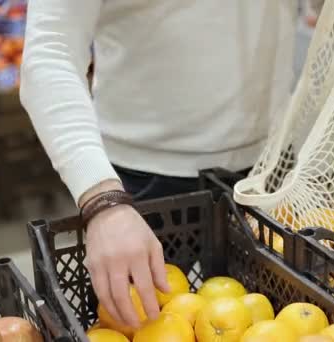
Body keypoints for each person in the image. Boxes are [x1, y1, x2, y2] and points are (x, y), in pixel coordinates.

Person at [20, 0, 297, 329]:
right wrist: (101, 198)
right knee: (140, 327)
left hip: (272, 168)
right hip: (139, 184)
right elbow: (50, 51)